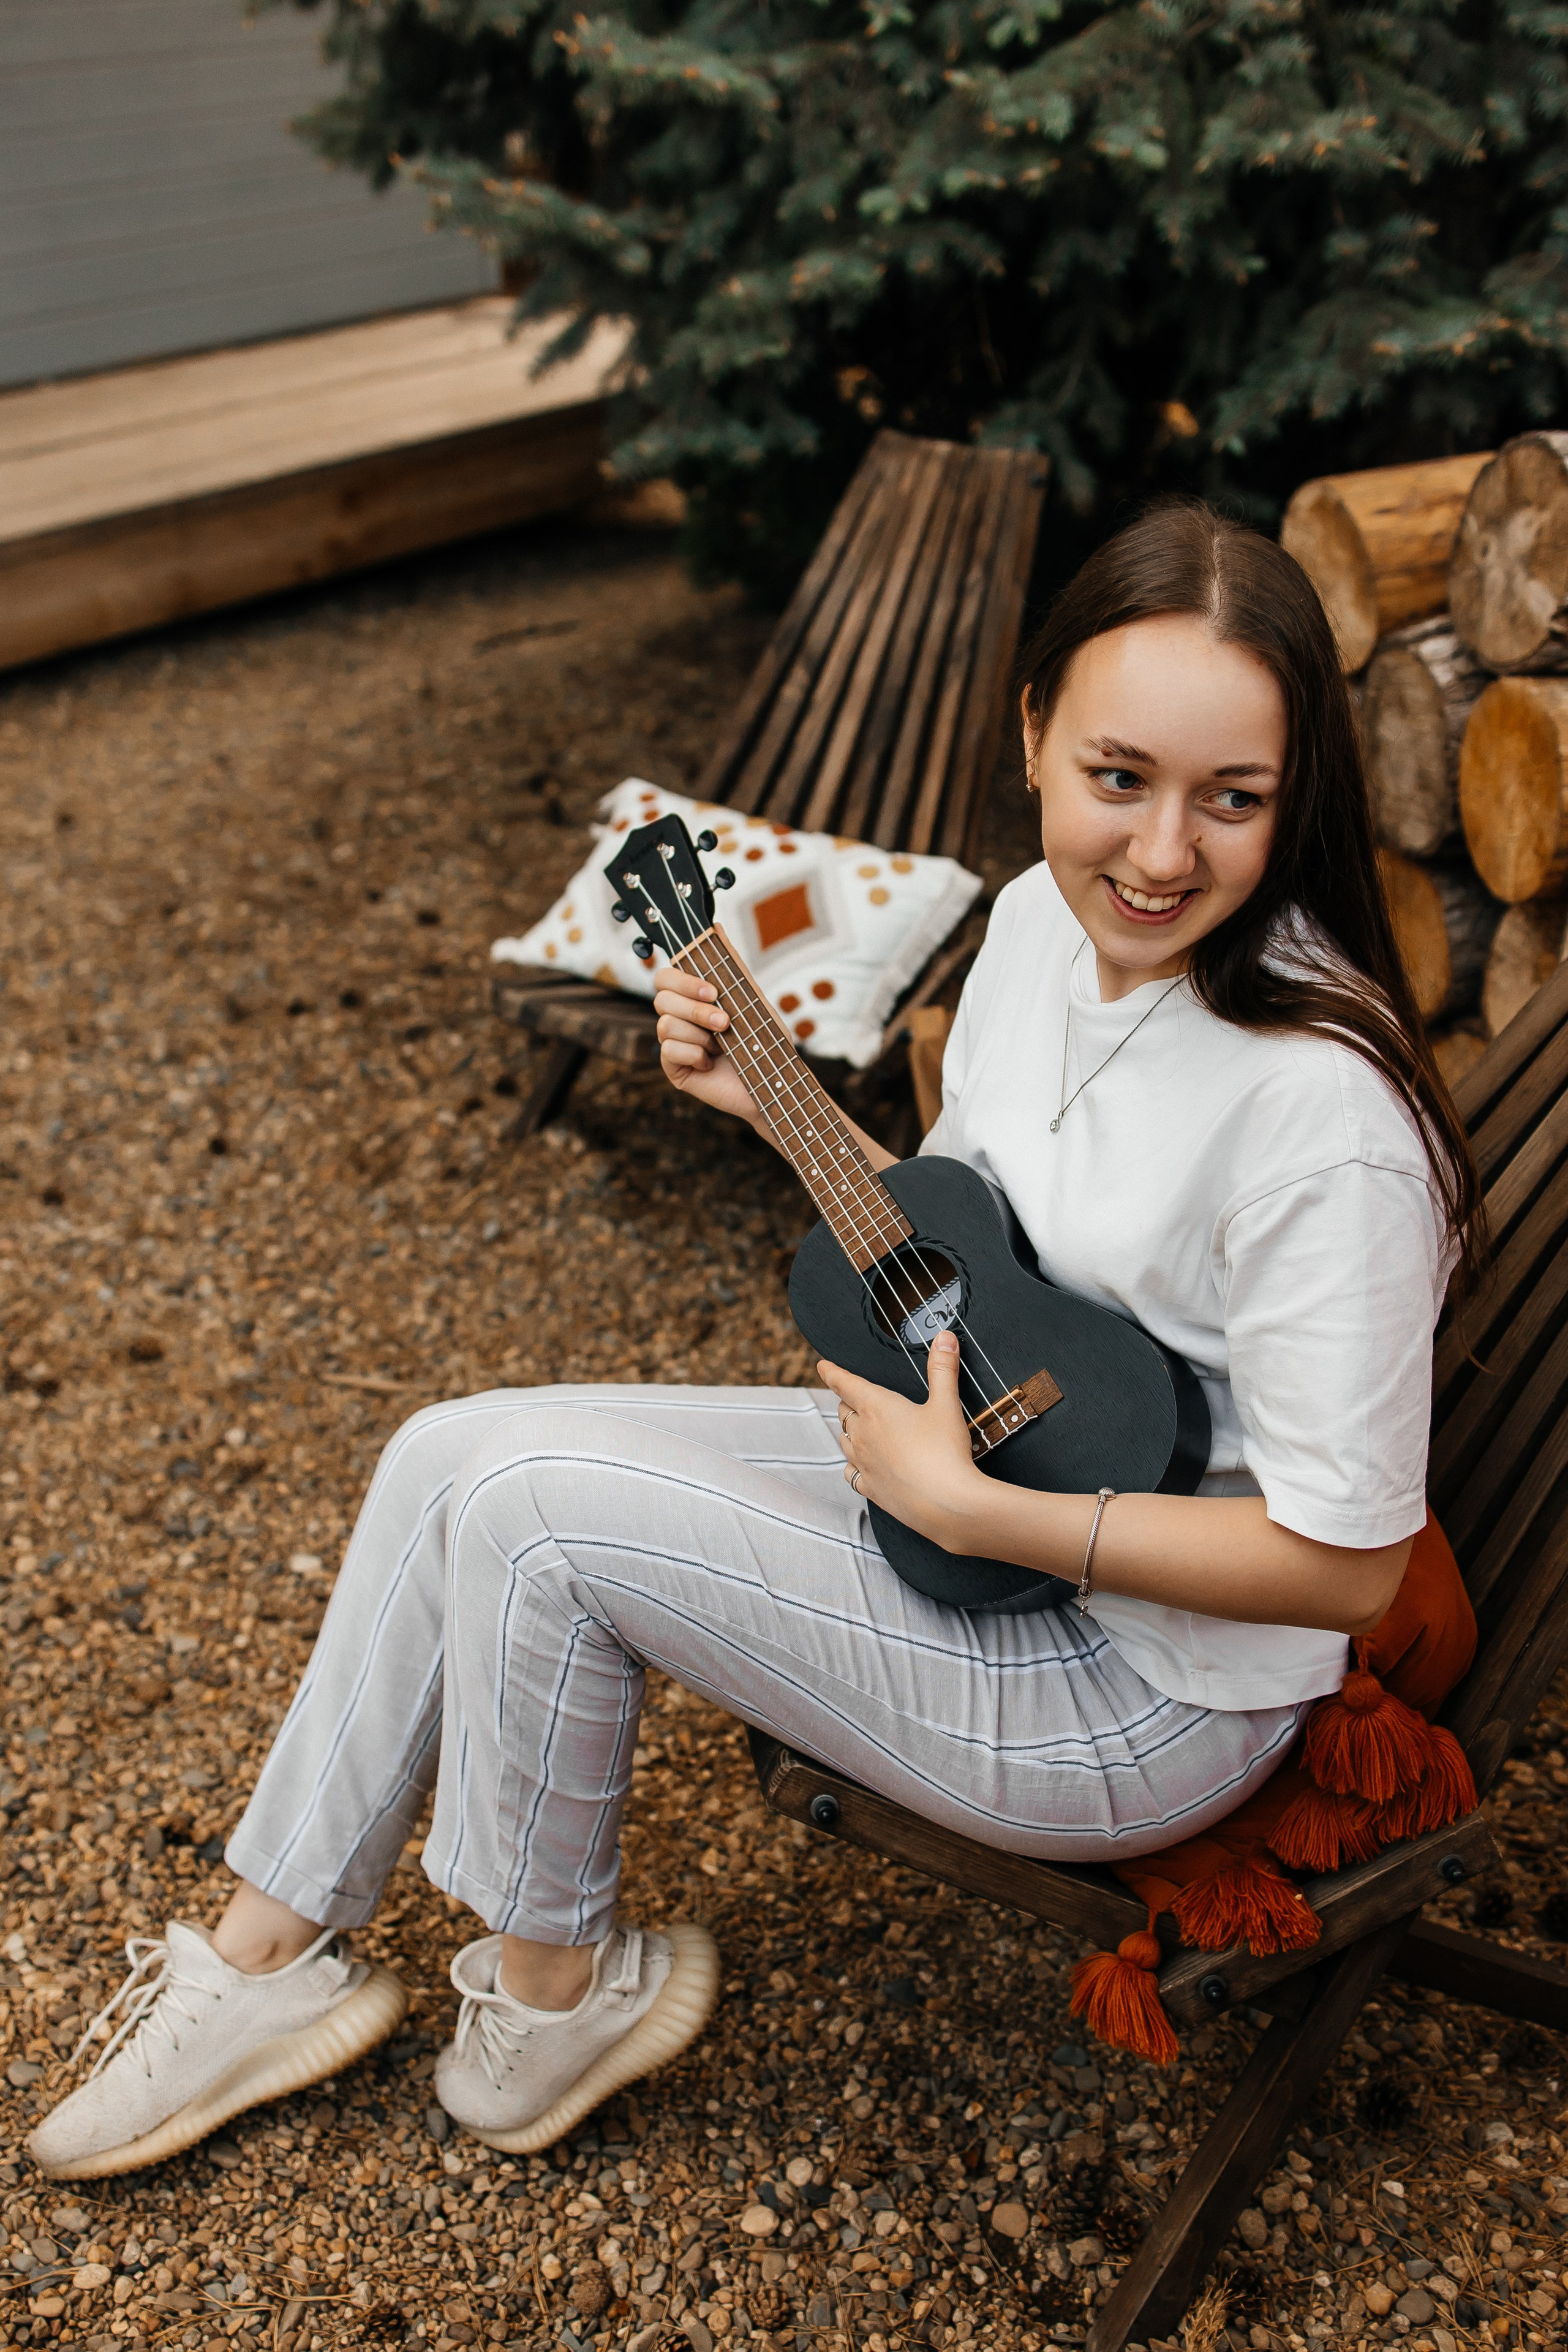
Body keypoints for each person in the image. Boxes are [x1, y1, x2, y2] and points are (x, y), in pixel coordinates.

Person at [29, 500, 1480, 2184]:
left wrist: (980, 1513)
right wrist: (775, 1113)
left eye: (1234, 799)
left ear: (1298, 797)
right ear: (1031, 737)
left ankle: (554, 1993)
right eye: (1119, 777)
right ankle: (264, 1959)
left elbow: (1350, 1567)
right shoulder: (1033, 932)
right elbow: (987, 1255)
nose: (1163, 854)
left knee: (535, 1510)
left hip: (1145, 1687)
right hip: (1002, 1468)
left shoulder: (1321, 1119)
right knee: (445, 1448)